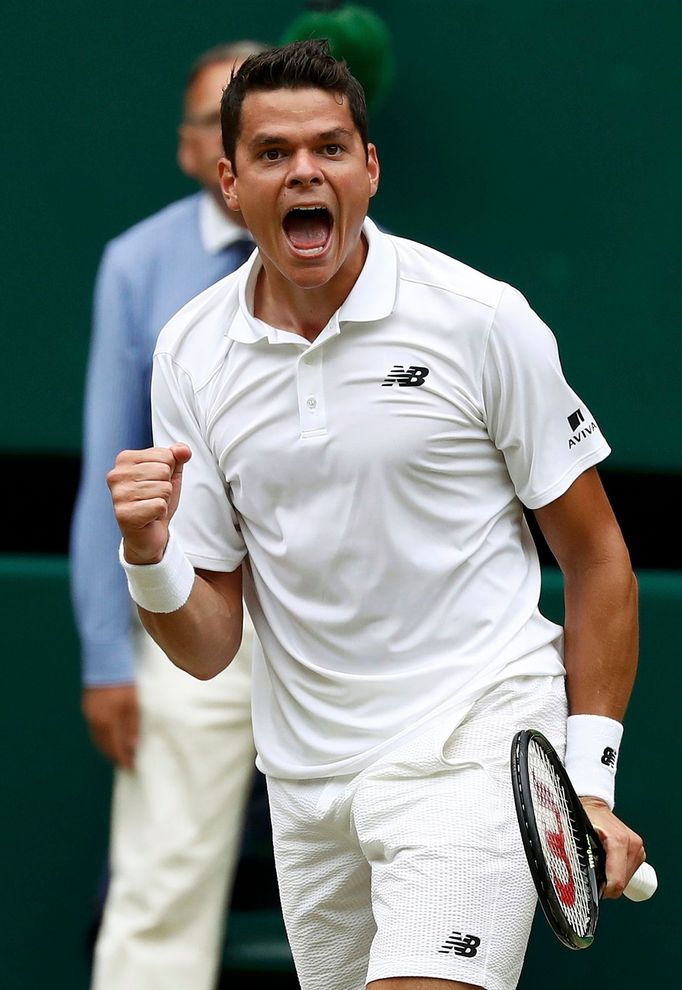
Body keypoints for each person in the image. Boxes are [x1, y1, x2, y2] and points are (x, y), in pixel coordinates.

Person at [107, 40, 646, 990]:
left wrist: (589, 784)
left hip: (474, 746)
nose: (305, 170)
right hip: (312, 790)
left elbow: (597, 555)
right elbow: (204, 646)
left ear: (369, 169)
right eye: (273, 153)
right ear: (231, 181)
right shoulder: (190, 351)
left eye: (330, 147)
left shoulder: (482, 319)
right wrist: (148, 554)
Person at [70, 39, 268, 990]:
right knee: (156, 894)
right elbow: (104, 468)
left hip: (350, 617)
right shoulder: (138, 263)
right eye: (220, 121)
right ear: (198, 152)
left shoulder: (378, 268)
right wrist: (111, 655)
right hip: (191, 618)